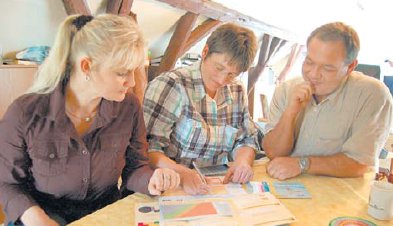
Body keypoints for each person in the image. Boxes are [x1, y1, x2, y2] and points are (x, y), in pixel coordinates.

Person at [0, 14, 180, 226]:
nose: (132, 82)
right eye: (123, 73)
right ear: (86, 66)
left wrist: (152, 180)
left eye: (134, 71)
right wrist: (36, 218)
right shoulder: (25, 113)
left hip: (103, 215)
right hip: (42, 215)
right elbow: (6, 183)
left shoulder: (128, 107)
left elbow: (135, 167)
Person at [263, 22, 393, 180]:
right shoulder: (286, 89)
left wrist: (302, 164)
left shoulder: (372, 95)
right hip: (287, 188)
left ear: (351, 66)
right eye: (309, 62)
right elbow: (273, 153)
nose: (313, 74)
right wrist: (290, 113)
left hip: (342, 195)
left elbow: (360, 162)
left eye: (327, 68)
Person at [143, 23, 261, 195]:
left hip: (216, 186)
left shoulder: (237, 91)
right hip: (171, 186)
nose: (222, 80)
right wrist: (181, 173)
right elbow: (147, 148)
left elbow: (246, 139)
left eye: (231, 74)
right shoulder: (172, 85)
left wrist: (243, 162)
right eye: (219, 68)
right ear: (205, 52)